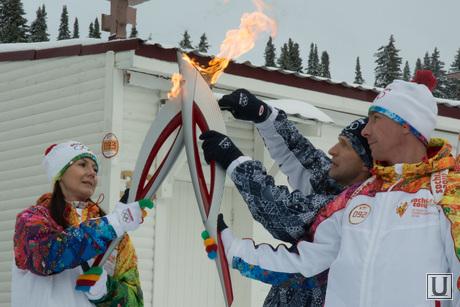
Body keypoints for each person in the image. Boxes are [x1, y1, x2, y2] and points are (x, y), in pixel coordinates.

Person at [214, 71, 460, 306]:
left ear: (405, 125)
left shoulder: (448, 194)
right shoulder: (359, 196)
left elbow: (448, 280)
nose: (366, 129)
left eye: (376, 119)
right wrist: (233, 249)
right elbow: (305, 263)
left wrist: (435, 294)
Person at [200, 89, 373, 306]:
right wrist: (264, 116)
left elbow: (285, 215)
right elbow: (305, 160)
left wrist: (233, 159)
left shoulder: (358, 209)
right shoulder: (341, 186)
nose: (332, 150)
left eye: (345, 146)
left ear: (367, 164)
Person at [12, 141, 153, 307]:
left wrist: (105, 291)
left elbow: (135, 302)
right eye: (82, 164)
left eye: (95, 168)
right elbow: (46, 256)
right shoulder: (32, 220)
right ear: (60, 173)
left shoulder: (116, 234)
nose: (92, 173)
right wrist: (114, 223)